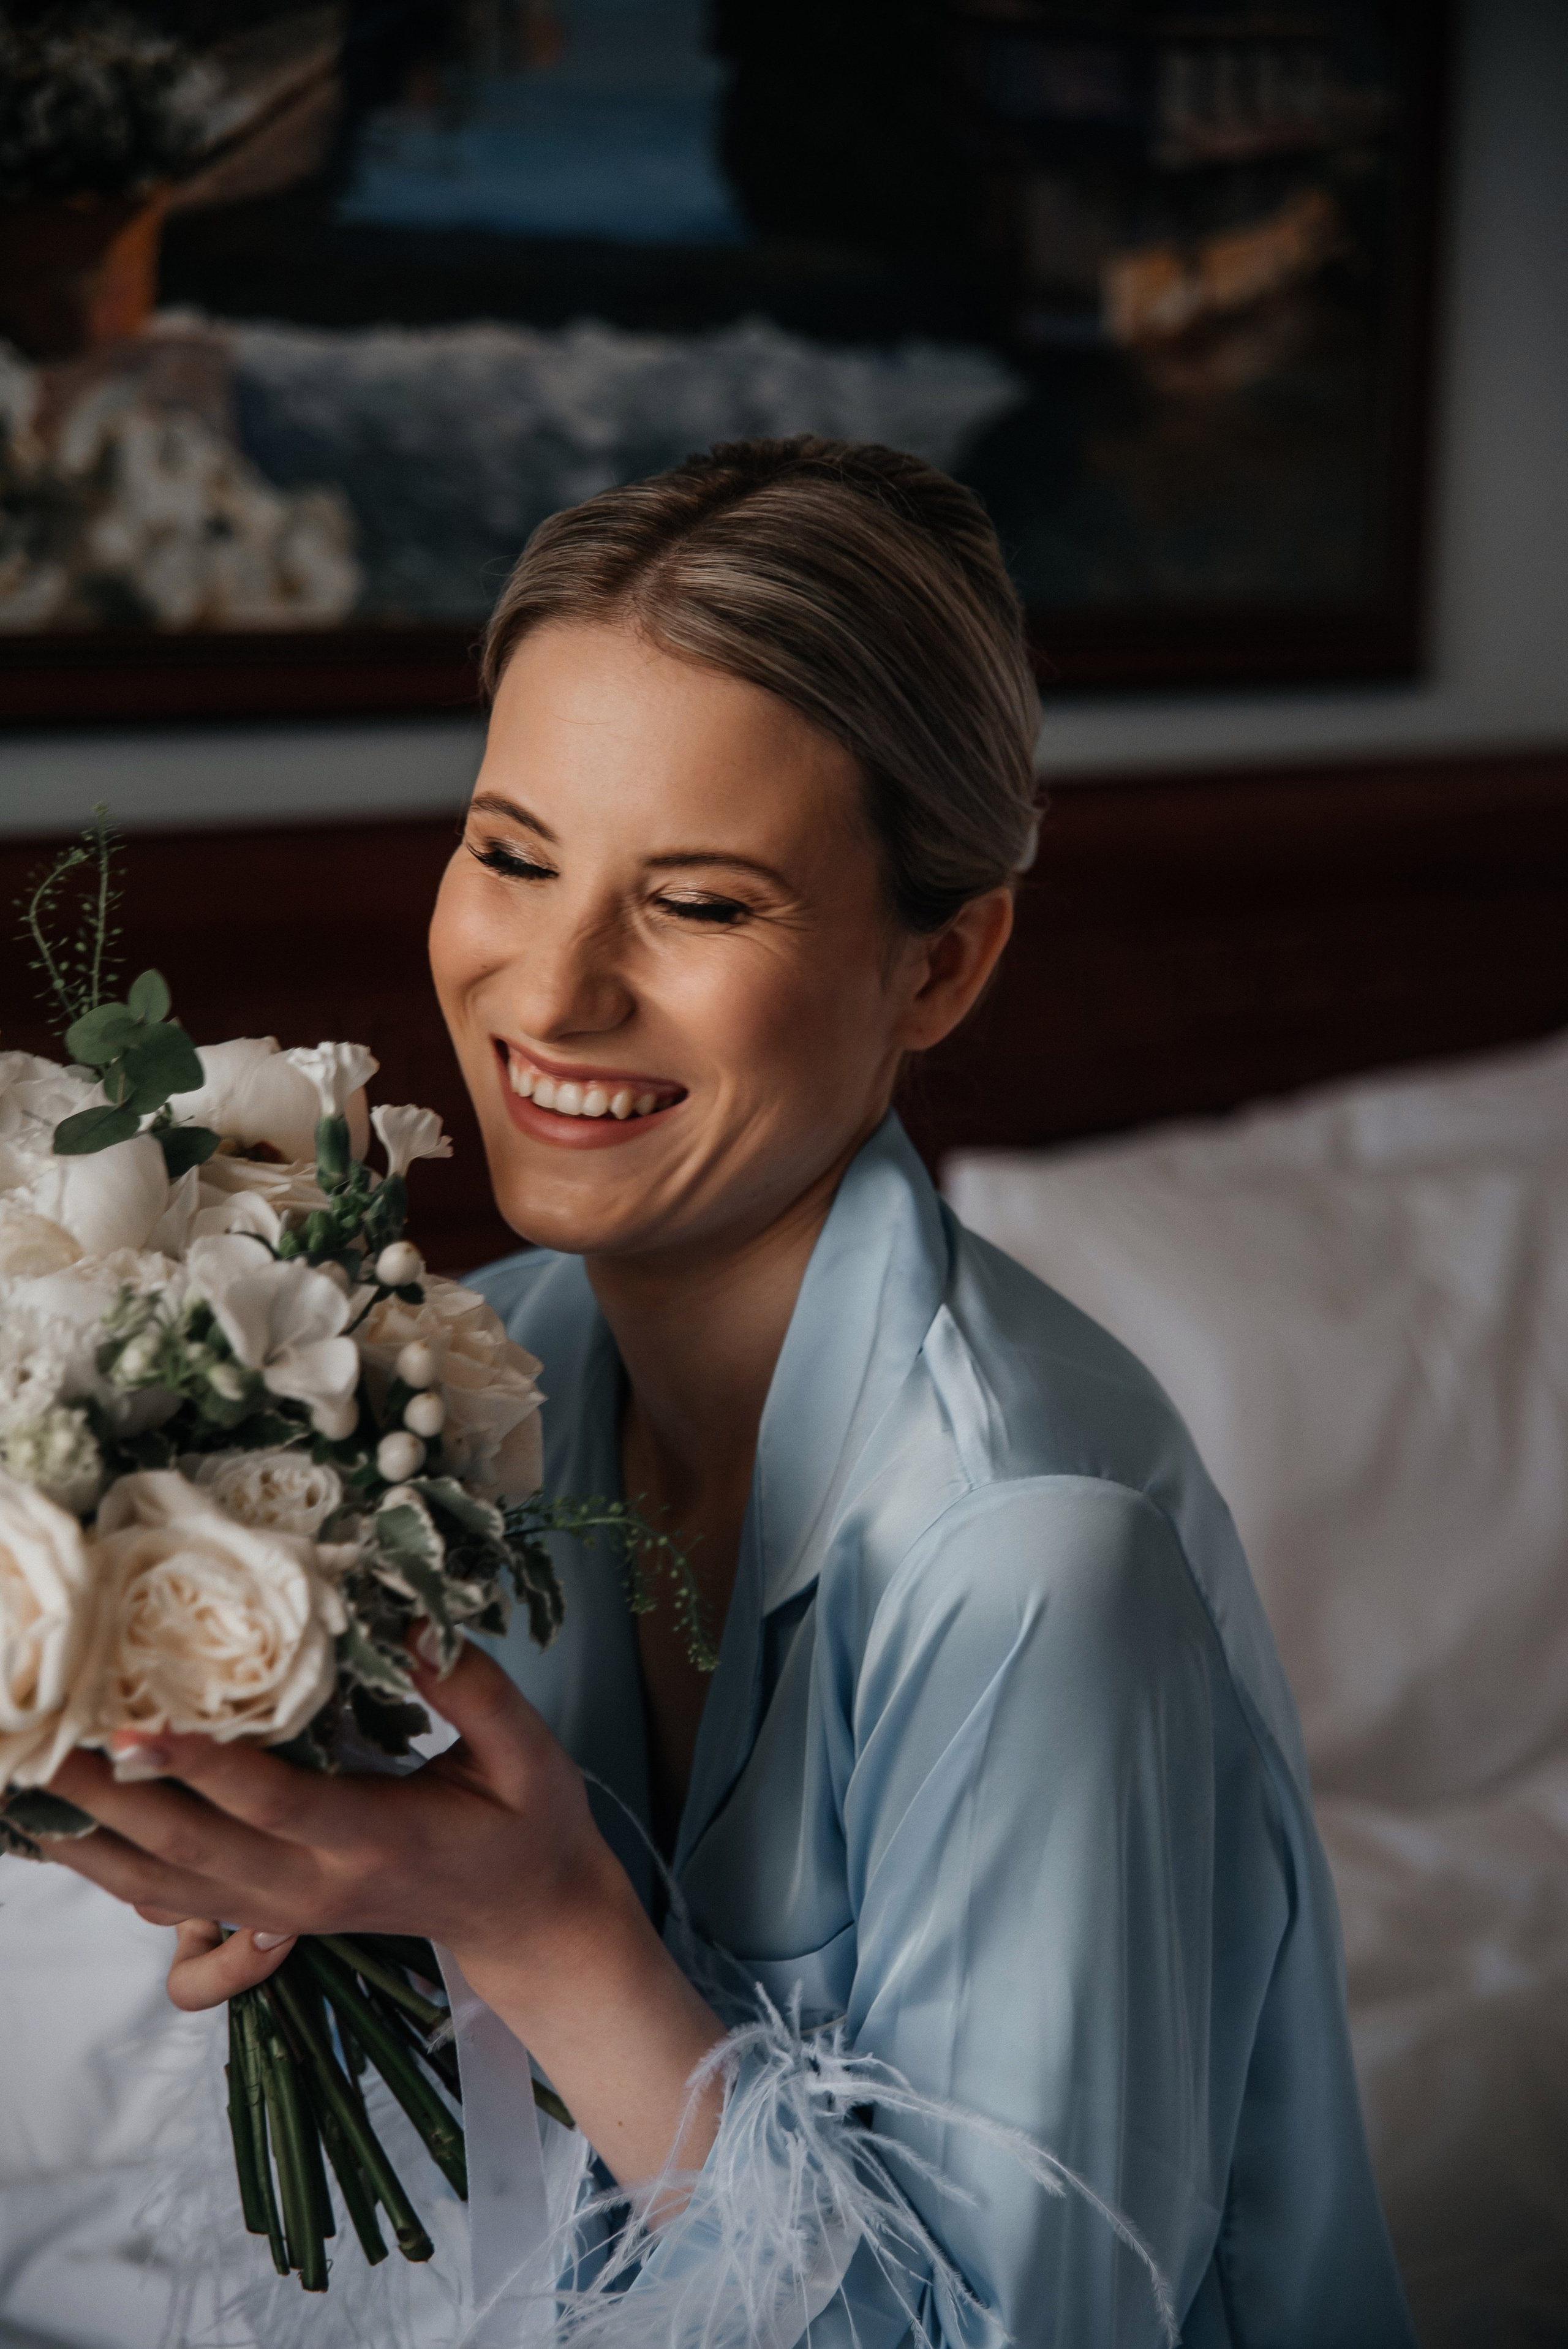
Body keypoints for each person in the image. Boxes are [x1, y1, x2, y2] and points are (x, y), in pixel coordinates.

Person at [45, 437, 1416, 2346]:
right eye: (513, 852)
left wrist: (544, 1926)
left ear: (941, 964)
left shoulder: (1034, 1567)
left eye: (697, 902)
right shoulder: (448, 1385)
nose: (557, 985)